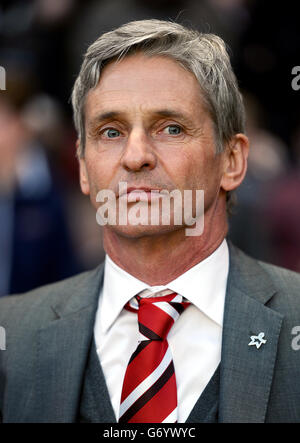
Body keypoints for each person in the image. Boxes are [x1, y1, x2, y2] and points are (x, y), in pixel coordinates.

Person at [0, 19, 300, 424]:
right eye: (110, 132)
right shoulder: (11, 336)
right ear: (84, 169)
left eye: (171, 128)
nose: (135, 155)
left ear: (232, 161)